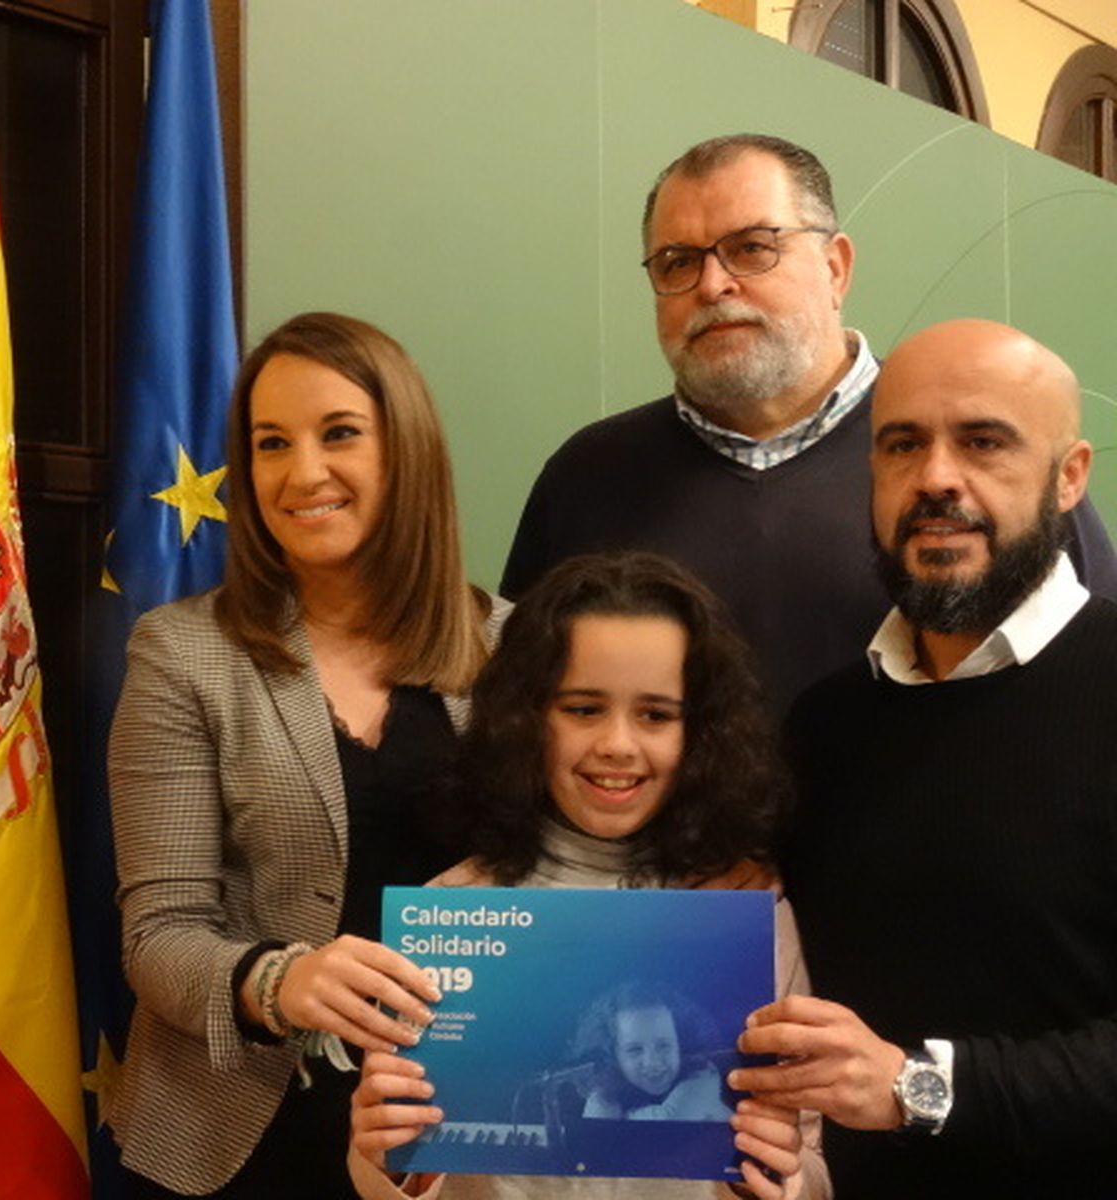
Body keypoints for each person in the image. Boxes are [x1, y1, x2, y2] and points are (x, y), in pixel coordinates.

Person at [500, 133, 1117, 713]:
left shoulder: (979, 468)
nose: (713, 285)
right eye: (676, 261)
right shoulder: (587, 477)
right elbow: (517, 709)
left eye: (752, 248)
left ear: (835, 268)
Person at [107, 311, 505, 1198]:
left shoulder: (510, 649)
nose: (304, 472)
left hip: (453, 1138)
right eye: (271, 443)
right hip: (238, 1140)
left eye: (340, 435)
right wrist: (277, 981)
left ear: (406, 450)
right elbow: (157, 933)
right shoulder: (181, 654)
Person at [734, 319, 1117, 1197]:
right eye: (902, 445)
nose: (937, 478)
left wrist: (916, 1086)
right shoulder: (824, 726)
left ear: (1069, 478)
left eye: (984, 441)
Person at [349, 552, 829, 1200]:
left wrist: (779, 1182)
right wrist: (387, 1161)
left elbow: (810, 1160)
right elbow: (407, 1170)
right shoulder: (453, 910)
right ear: (528, 716)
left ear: (702, 733)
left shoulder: (749, 917)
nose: (618, 745)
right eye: (582, 709)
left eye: (656, 715)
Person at [574, 982, 731, 1123]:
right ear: (612, 1056)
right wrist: (600, 1101)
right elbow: (594, 1144)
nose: (652, 1062)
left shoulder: (703, 1077)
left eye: (663, 1045)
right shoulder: (611, 1090)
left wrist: (609, 1115)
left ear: (682, 1044)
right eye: (635, 1050)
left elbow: (667, 1121)